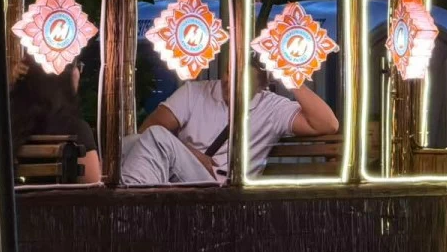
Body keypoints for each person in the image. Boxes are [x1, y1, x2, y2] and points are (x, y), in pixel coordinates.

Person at [121, 63, 339, 185]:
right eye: (227, 70)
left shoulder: (272, 107)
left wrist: (288, 76)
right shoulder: (194, 92)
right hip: (180, 176)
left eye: (240, 75)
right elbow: (146, 130)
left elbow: (327, 124)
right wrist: (194, 155)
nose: (228, 79)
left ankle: (129, 209)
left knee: (158, 137)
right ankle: (135, 206)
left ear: (261, 84)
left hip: (223, 187)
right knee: (130, 142)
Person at [9, 58, 102, 183]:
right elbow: (92, 183)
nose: (78, 72)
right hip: (65, 201)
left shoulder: (13, 127)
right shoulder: (75, 130)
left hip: (20, 201)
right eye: (76, 66)